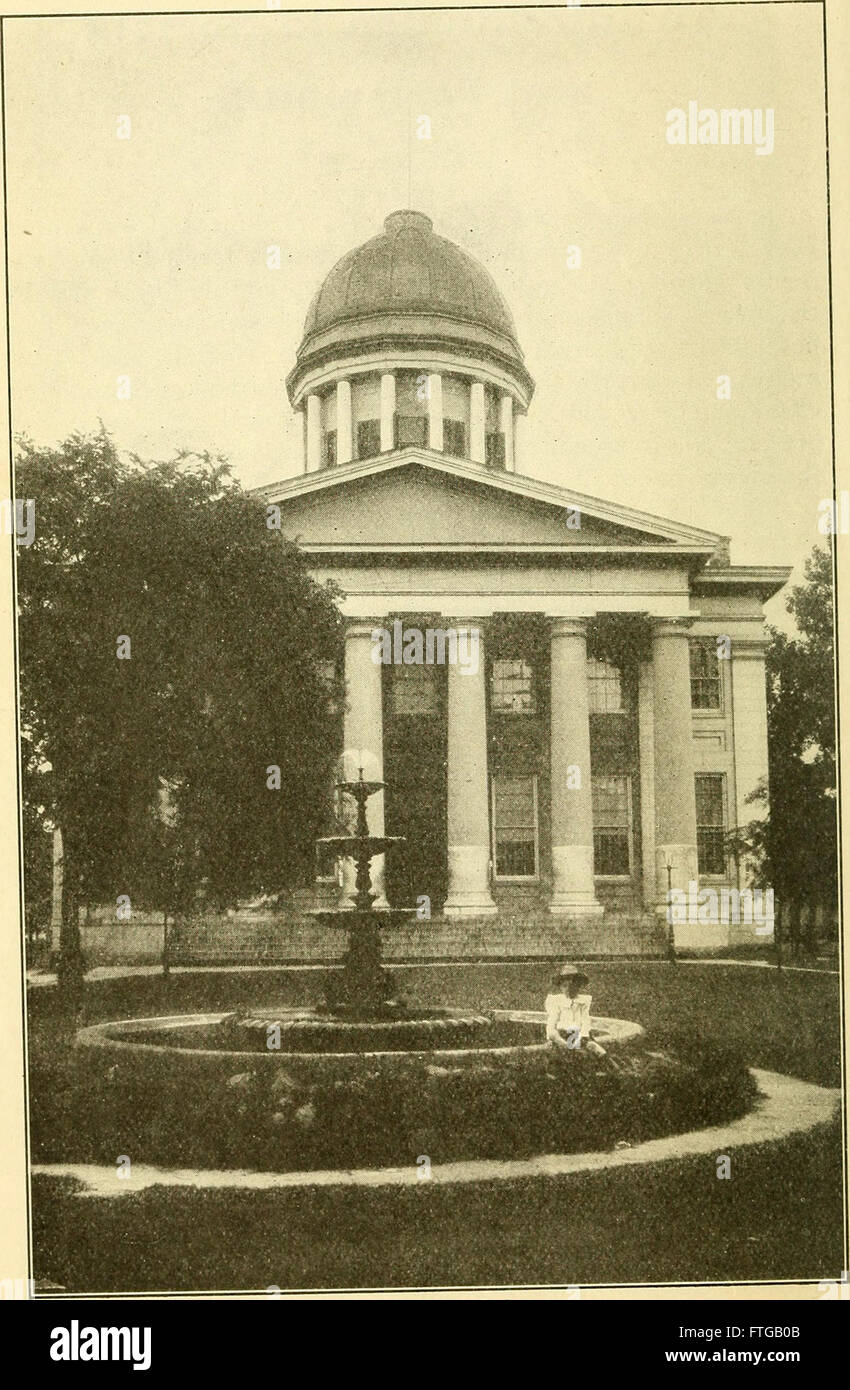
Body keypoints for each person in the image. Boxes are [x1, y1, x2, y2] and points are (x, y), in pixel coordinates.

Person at [544, 965, 614, 1063]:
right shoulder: (557, 1002)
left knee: (598, 1051)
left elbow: (585, 1020)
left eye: (573, 985)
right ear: (560, 987)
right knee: (572, 1054)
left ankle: (616, 1069)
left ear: (579, 986)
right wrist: (559, 1039)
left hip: (579, 1035)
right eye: (565, 986)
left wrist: (585, 1036)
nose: (569, 989)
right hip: (562, 1035)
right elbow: (552, 1024)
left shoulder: (583, 1001)